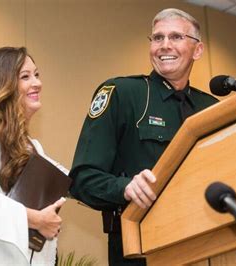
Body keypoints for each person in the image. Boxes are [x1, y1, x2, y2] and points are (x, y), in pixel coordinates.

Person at [69, 8, 219, 265]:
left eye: (176, 37)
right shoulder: (123, 93)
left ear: (198, 50)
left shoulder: (212, 108)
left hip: (205, 244)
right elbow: (82, 179)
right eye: (157, 38)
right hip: (138, 246)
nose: (164, 45)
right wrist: (125, 188)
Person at [0, 46, 67, 265]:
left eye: (36, 74)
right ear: (3, 86)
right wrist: (35, 219)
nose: (37, 83)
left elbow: (75, 180)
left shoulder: (32, 146)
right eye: (25, 77)